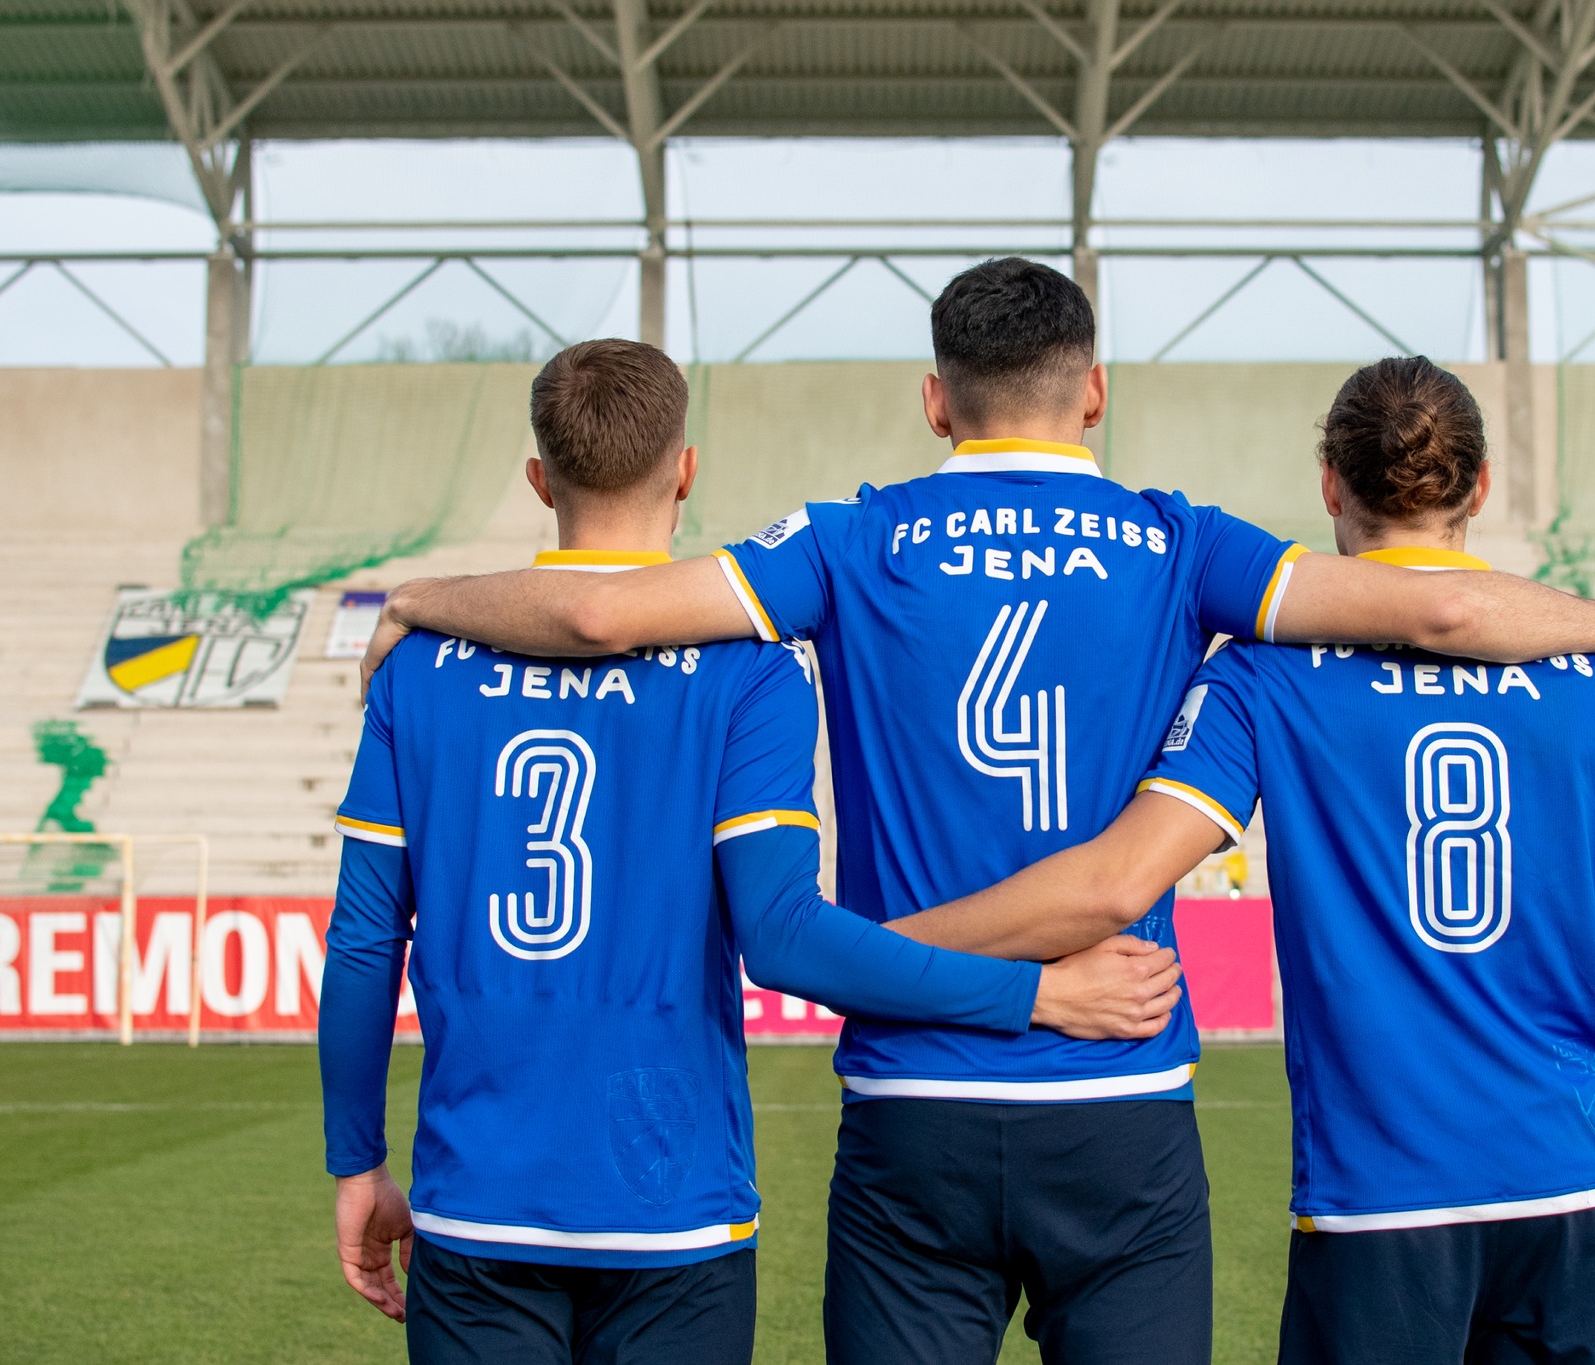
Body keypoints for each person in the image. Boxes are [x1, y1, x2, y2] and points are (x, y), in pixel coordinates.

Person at [359, 260, 1595, 1365]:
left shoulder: (853, 540)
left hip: (914, 1101)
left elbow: (599, 613)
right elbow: (1442, 605)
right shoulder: (1182, 544)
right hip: (1120, 1092)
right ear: (1094, 393)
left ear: (935, 401)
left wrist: (418, 598)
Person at [318, 338, 1182, 1365]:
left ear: (540, 479)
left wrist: (357, 1162)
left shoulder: (417, 671)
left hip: (475, 1206)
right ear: (686, 470)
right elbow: (783, 936)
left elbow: (364, 941)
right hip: (673, 1204)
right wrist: (1033, 993)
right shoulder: (750, 668)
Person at [893, 356, 1595, 1365]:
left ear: (1329, 484)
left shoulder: (1264, 673)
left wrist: (870, 950)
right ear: (1481, 487)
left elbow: (1117, 881)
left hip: (1380, 1197)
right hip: (1570, 1184)